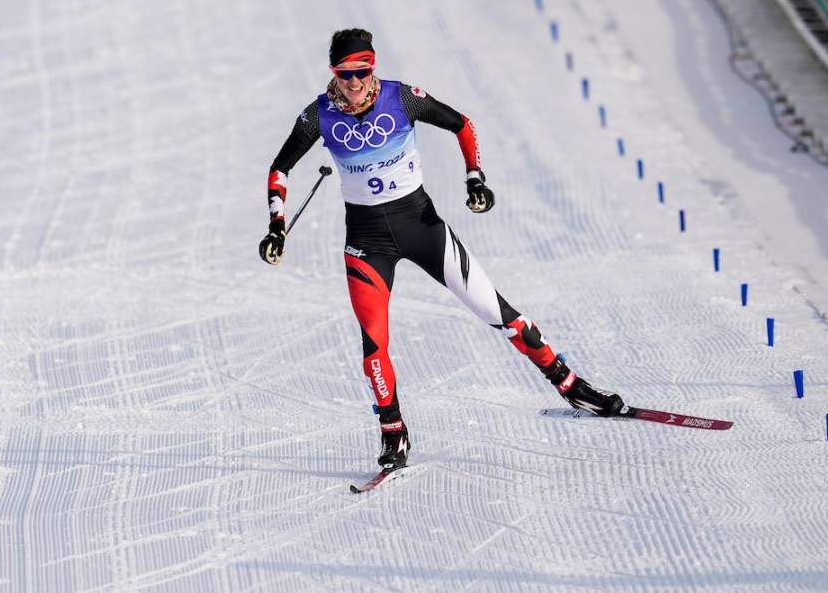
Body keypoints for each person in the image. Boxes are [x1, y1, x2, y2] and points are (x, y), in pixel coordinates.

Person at [260, 28, 625, 471]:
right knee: (374, 345)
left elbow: (462, 124)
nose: (354, 82)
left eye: (362, 71)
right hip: (366, 242)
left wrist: (475, 177)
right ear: (332, 72)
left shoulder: (404, 98)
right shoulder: (316, 116)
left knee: (501, 315)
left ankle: (571, 385)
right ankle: (393, 430)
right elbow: (280, 169)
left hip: (422, 226)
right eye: (344, 73)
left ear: (373, 67)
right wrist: (277, 226)